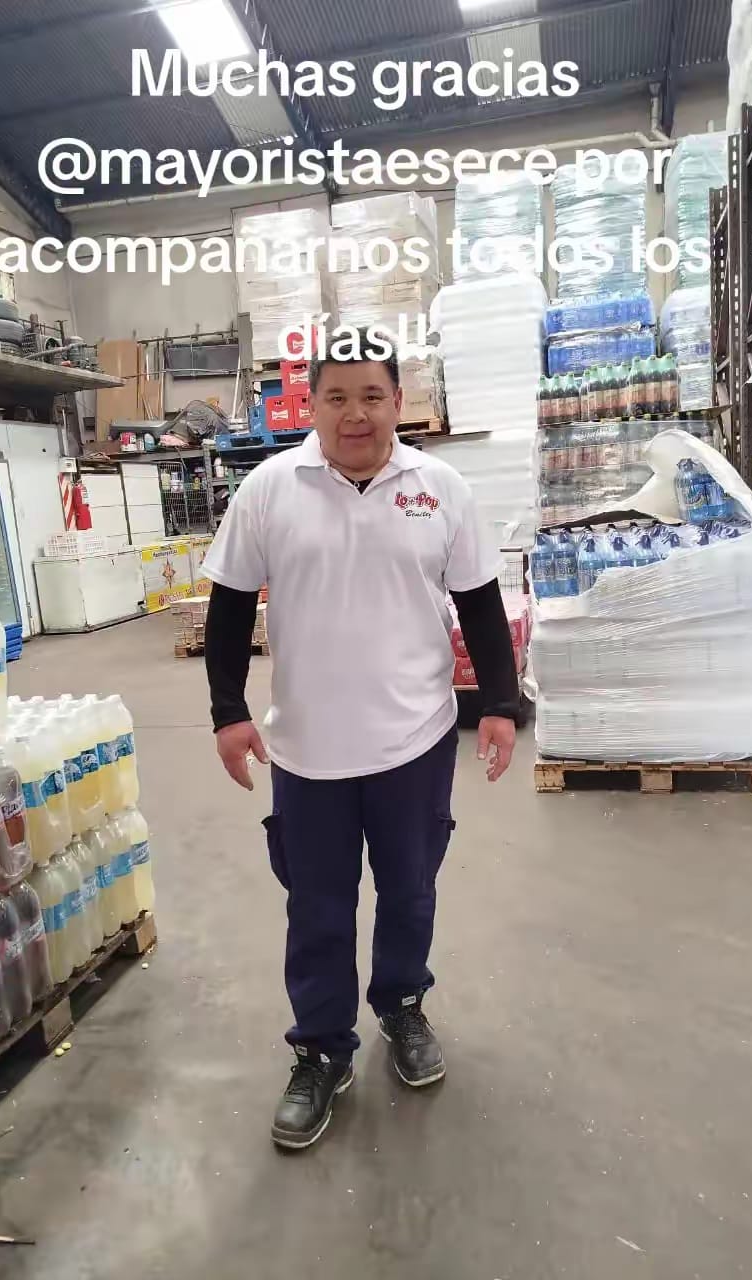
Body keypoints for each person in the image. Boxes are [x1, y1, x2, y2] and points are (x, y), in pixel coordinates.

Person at [203, 330, 519, 1150]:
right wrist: (227, 711)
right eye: (337, 397)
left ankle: (403, 1006)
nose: (356, 414)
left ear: (398, 403)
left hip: (415, 742)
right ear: (311, 406)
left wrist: (499, 702)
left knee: (410, 892)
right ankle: (320, 1049)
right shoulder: (269, 490)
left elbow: (480, 602)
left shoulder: (440, 489)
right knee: (317, 907)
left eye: (372, 396)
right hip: (307, 751)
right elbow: (230, 607)